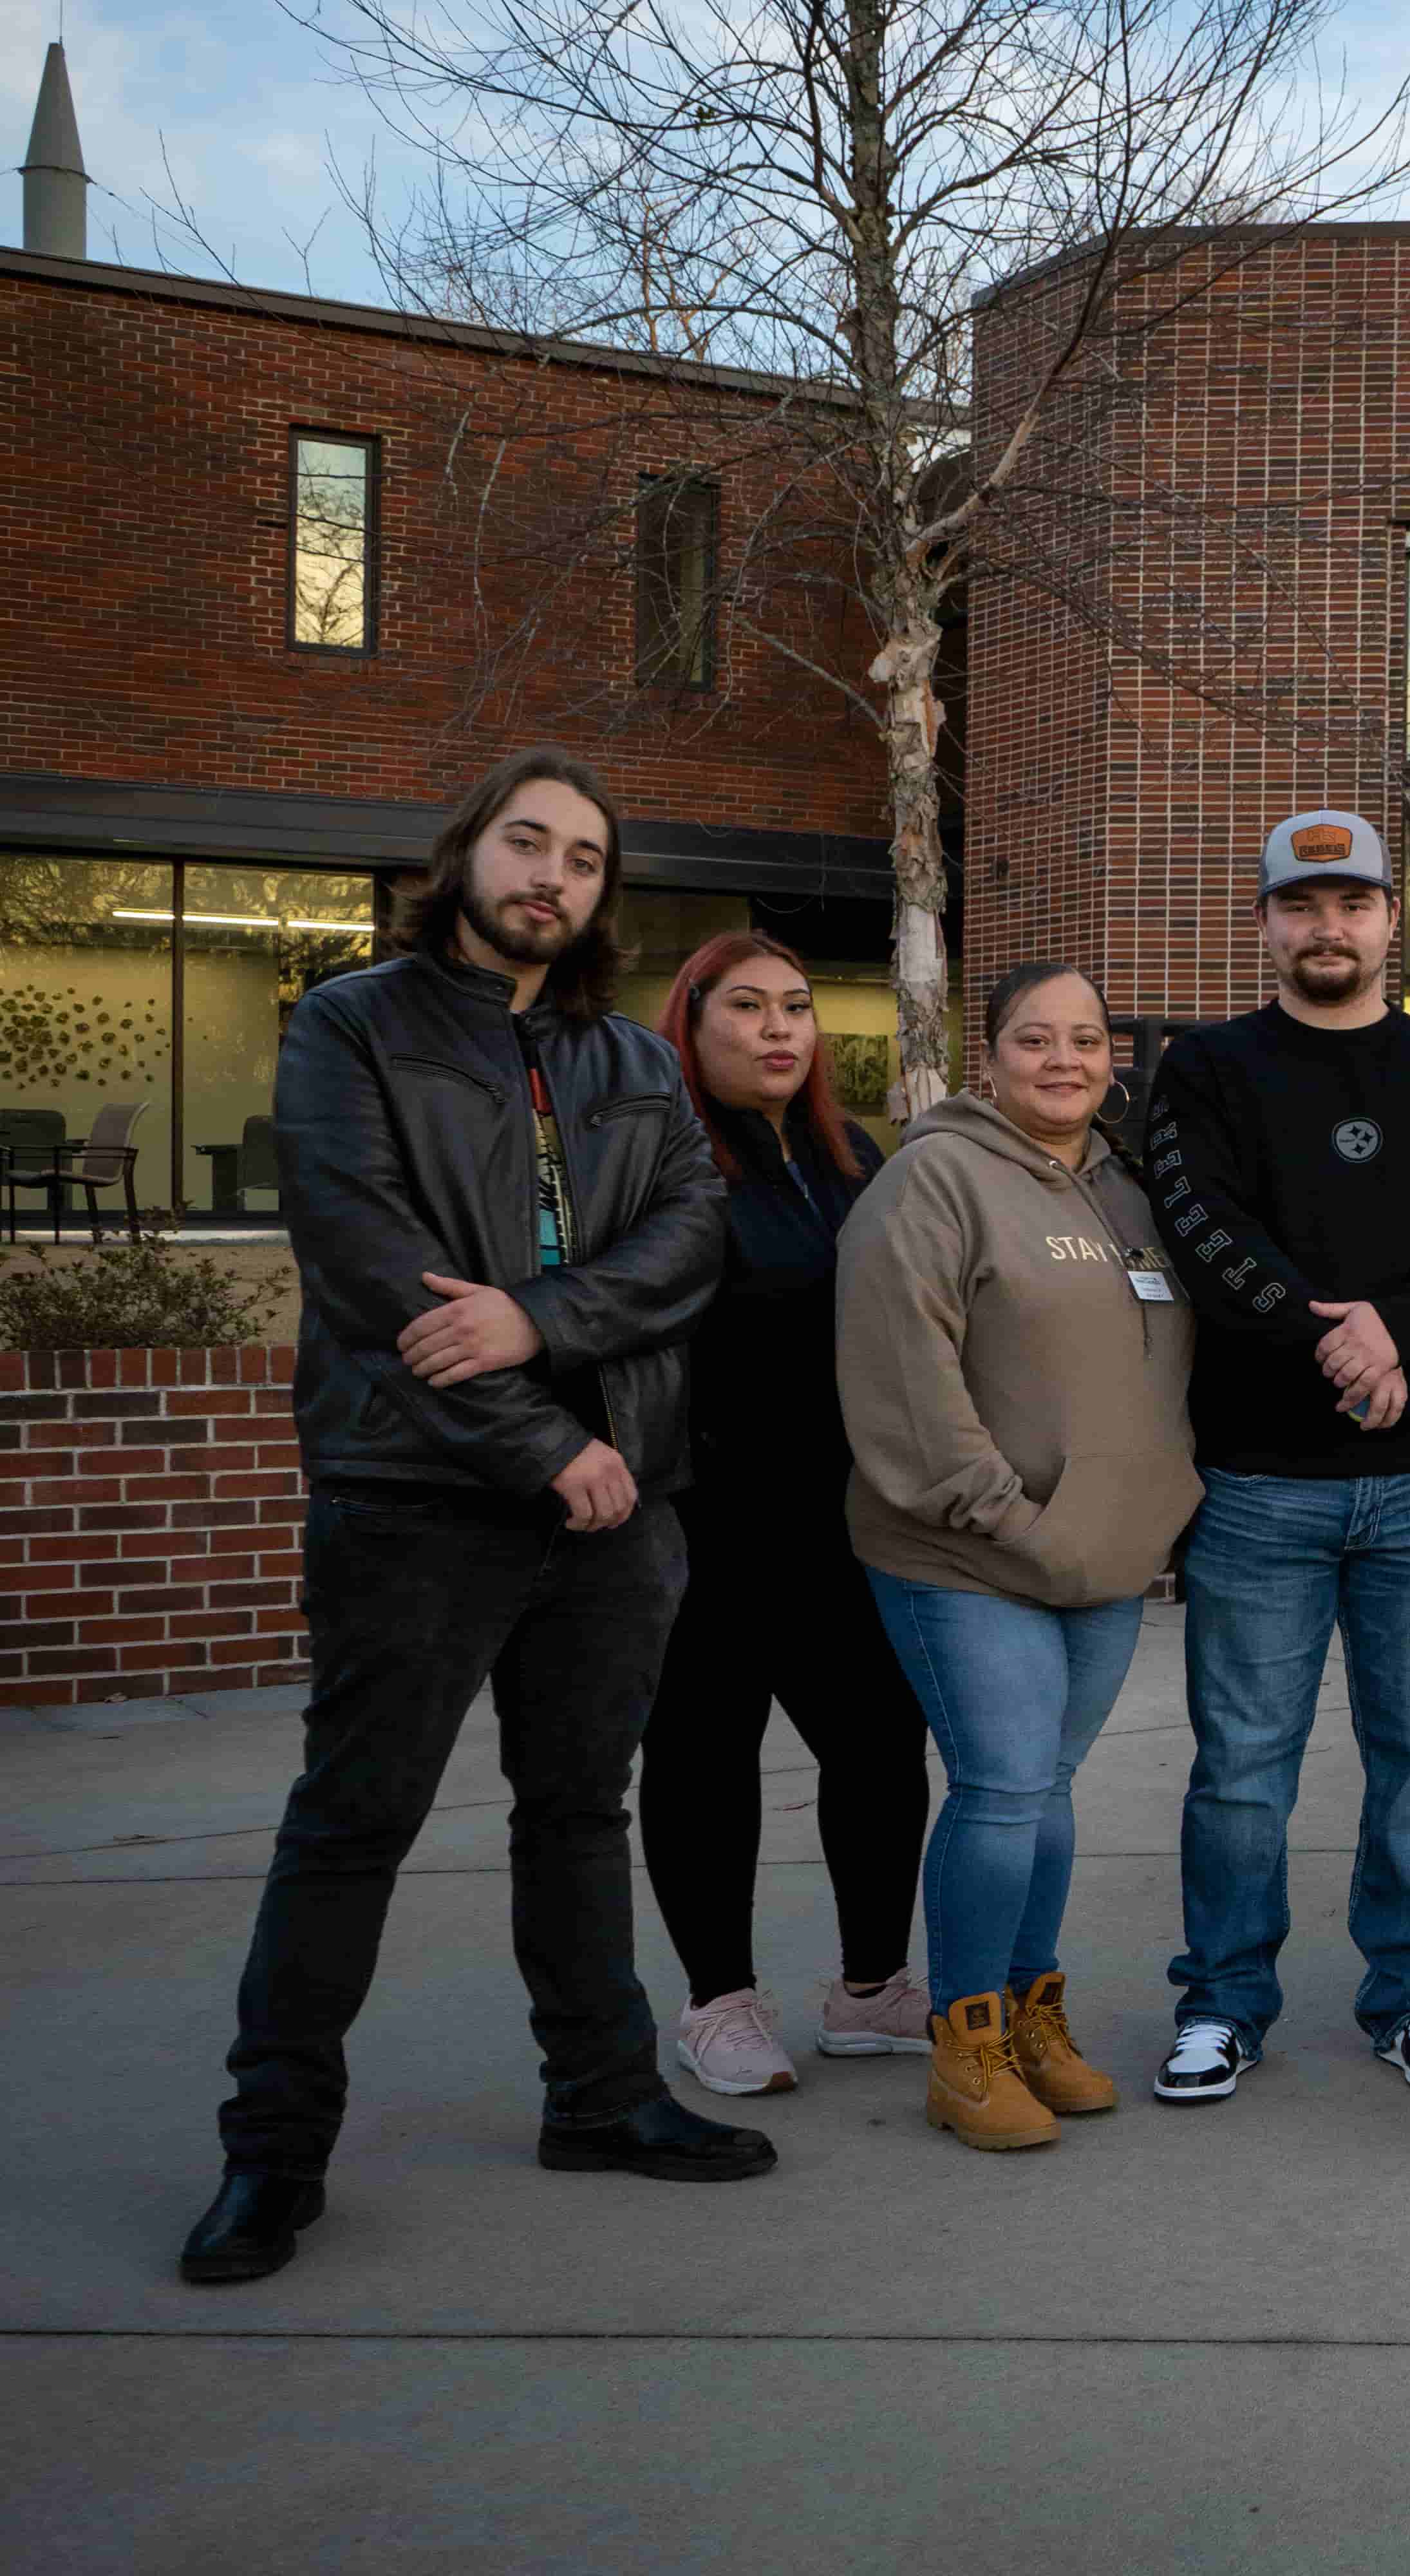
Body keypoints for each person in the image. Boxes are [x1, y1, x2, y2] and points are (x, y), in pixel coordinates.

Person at [185, 748, 761, 2287]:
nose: (552, 876)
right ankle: (272, 2156)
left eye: (582, 858)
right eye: (529, 841)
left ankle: (604, 2094)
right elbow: (366, 1262)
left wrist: (537, 1322)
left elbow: (691, 1237)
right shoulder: (349, 1023)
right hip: (418, 1494)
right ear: (468, 853)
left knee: (579, 1812)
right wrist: (536, 1441)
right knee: (352, 1822)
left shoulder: (633, 1060)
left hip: (618, 1496)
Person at [1145, 810, 1410, 2101]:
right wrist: (1330, 1338)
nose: (1329, 925)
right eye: (1303, 904)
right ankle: (1223, 1999)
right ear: (1265, 923)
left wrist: (1396, 1329)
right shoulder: (1207, 1068)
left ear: (1390, 920)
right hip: (1261, 1480)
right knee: (1245, 1762)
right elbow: (1198, 1220)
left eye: (1353, 901)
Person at [836, 961, 1199, 2153]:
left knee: (1043, 1795)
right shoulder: (932, 1180)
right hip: (969, 1556)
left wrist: (1149, 1510)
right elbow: (907, 1379)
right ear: (988, 1058)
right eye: (1036, 1040)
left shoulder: (1126, 1191)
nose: (1064, 1060)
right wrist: (1013, 1521)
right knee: (998, 1790)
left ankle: (1036, 2016)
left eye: (1088, 1040)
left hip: (1099, 1560)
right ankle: (967, 2040)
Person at [635, 931, 935, 2097]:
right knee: (706, 1757)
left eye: (799, 1008)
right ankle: (719, 2003)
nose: (779, 1030)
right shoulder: (660, 1157)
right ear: (693, 1022)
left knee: (877, 1747)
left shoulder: (846, 1150)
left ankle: (870, 1991)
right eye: (749, 1007)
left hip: (843, 1512)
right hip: (702, 1511)